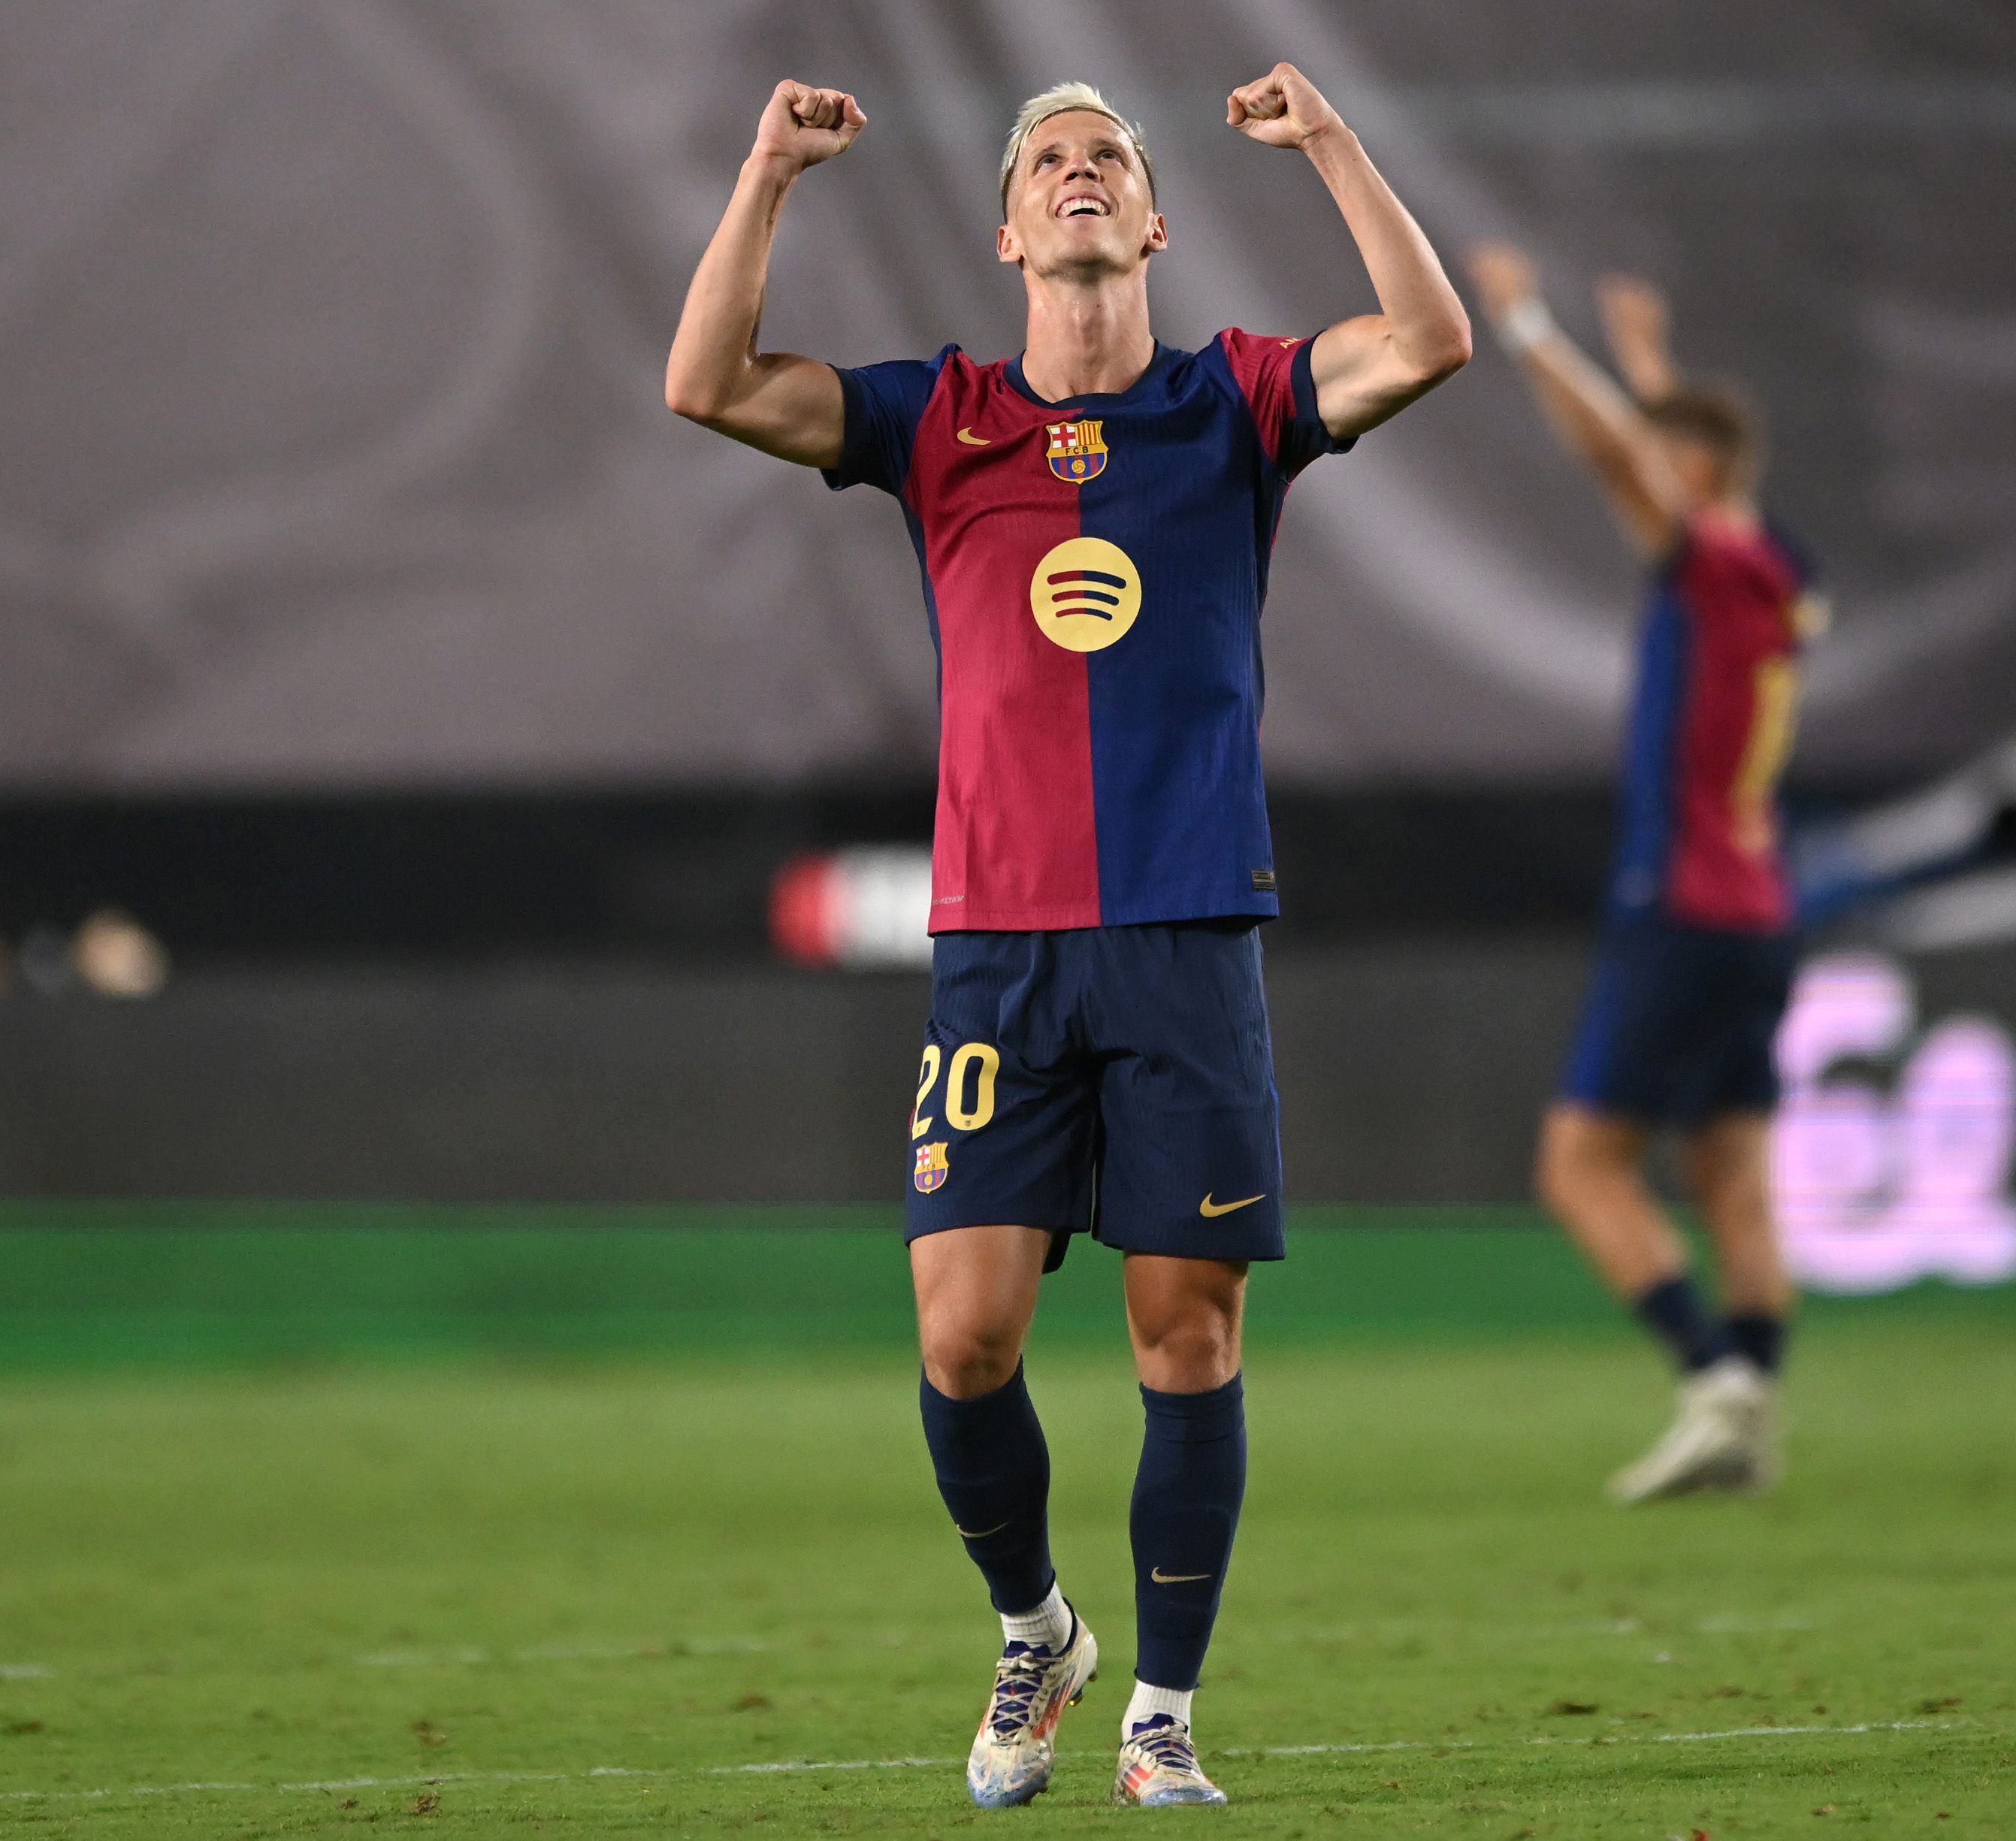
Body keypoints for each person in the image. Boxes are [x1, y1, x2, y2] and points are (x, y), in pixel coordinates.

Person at [666, 68, 1466, 1806]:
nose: (1082, 172)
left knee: (1186, 1338)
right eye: (1049, 161)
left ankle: (1162, 1710)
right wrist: (767, 173)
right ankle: (1037, 1629)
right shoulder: (934, 417)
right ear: (1010, 231)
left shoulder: (1238, 399)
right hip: (1002, 949)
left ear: (1155, 222)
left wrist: (1331, 139)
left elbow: (1428, 337)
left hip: (1185, 933)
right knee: (963, 1339)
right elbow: (703, 382)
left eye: (1110, 156)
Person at [1465, 249, 1820, 1504]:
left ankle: (1713, 1375)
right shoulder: (1773, 570)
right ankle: (1753, 1419)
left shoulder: (1713, 560)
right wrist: (1656, 366)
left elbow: (1626, 457)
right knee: (1733, 1177)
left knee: (1579, 1165)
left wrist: (1525, 324)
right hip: (1760, 907)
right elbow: (1683, 457)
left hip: (1679, 903)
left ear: (1703, 474)